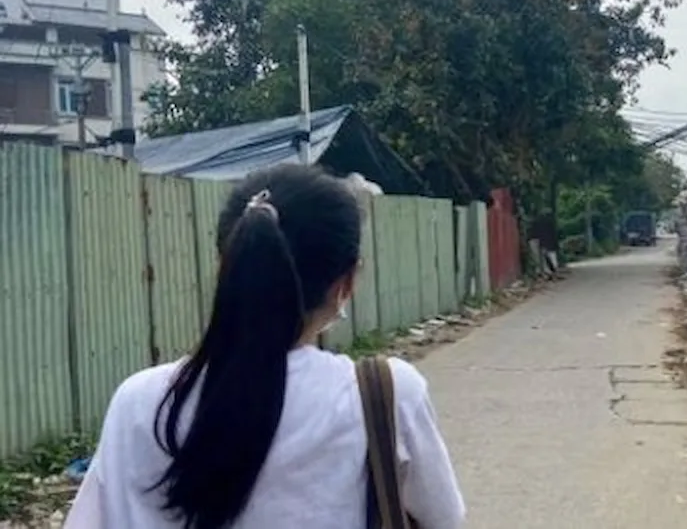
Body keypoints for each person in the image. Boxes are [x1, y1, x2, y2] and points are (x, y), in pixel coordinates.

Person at [64, 165, 465, 529]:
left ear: (227, 265)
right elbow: (443, 518)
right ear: (346, 283)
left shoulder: (140, 402)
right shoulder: (384, 395)